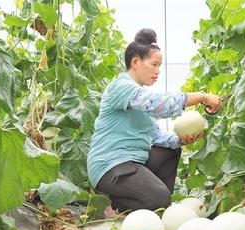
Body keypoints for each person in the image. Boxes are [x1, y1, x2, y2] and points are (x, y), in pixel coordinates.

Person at [87, 28, 222, 212]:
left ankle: (156, 205)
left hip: (131, 163)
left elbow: (158, 138)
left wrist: (182, 140)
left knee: (170, 150)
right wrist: (202, 97)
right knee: (159, 198)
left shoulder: (139, 99)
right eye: (154, 65)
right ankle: (117, 204)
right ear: (135, 62)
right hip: (110, 165)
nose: (158, 71)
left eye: (160, 66)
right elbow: (157, 104)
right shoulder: (121, 86)